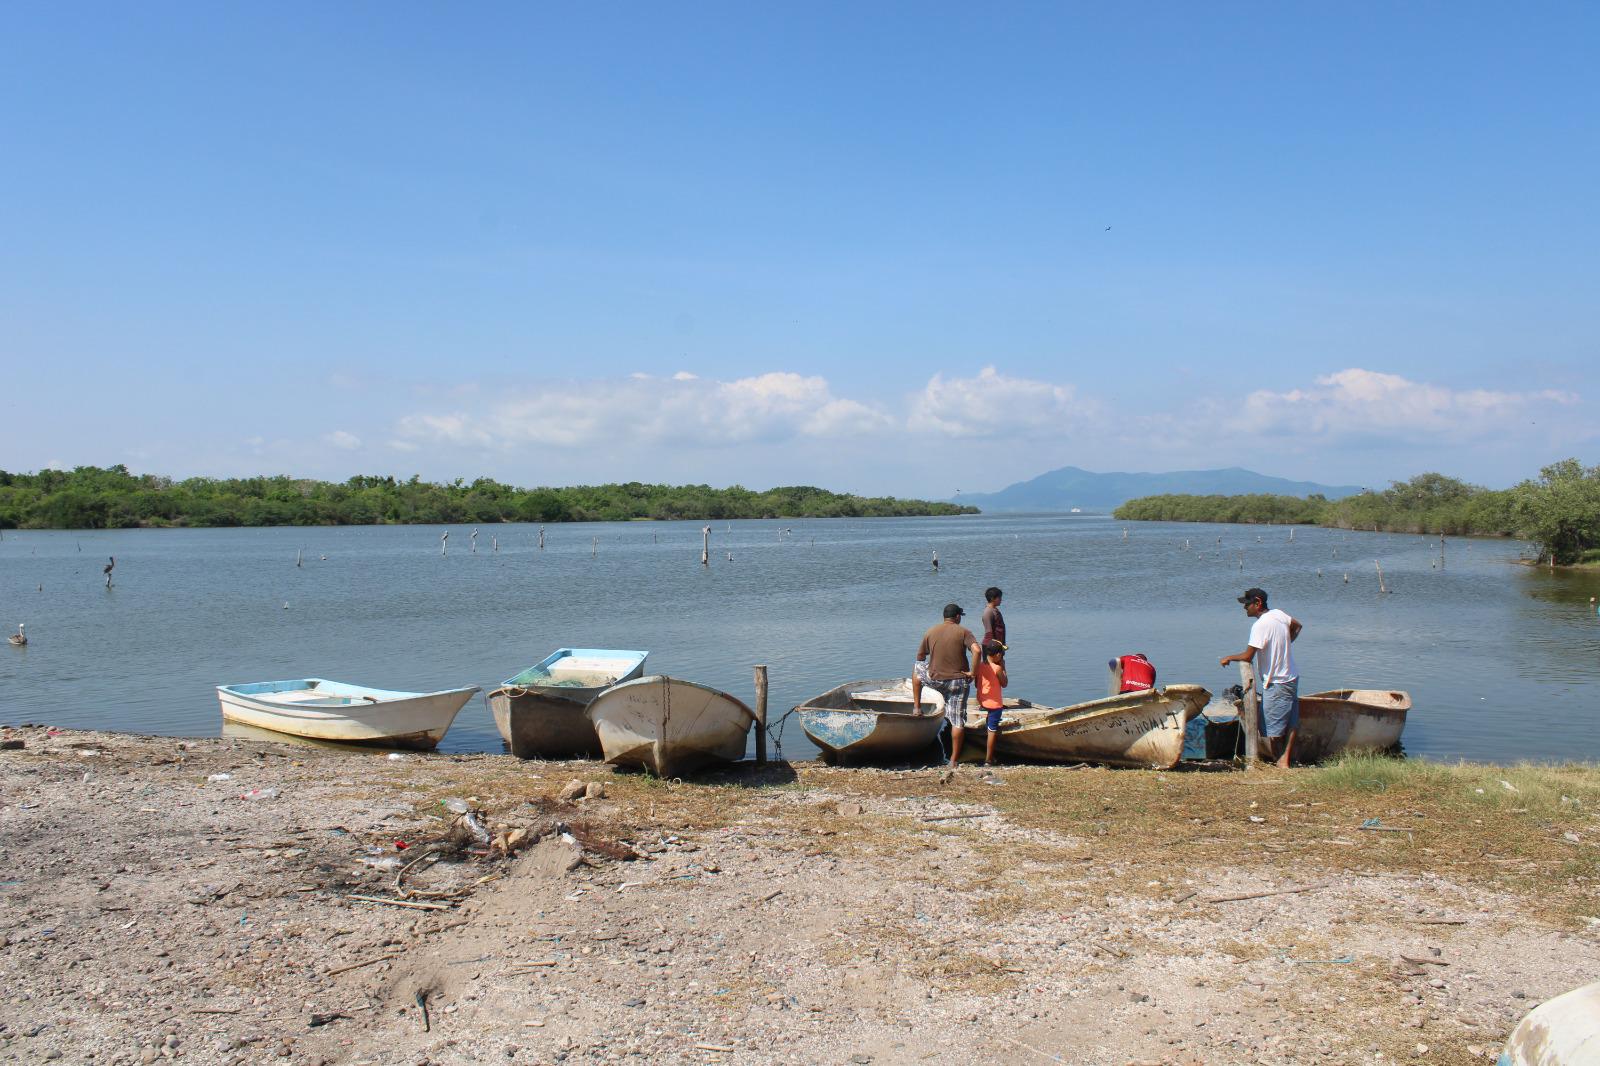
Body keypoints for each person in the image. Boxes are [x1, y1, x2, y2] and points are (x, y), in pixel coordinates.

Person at [1219, 587, 1303, 768]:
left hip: (1277, 680)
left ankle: (1283, 761)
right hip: (1290, 676)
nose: (1245, 608)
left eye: (1247, 604)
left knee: (1272, 728)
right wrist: (1284, 644)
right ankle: (1284, 759)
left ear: (1258, 603)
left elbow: (1248, 656)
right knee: (1290, 720)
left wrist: (1228, 658)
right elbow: (1297, 625)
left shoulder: (1260, 625)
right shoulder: (1278, 614)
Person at [911, 603, 982, 776]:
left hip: (936, 680)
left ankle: (917, 707)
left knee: (917, 669)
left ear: (944, 616)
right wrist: (973, 672)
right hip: (958, 682)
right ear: (957, 617)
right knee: (958, 721)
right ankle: (953, 761)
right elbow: (977, 650)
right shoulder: (964, 631)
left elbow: (920, 657)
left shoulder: (931, 631)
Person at [974, 640, 1008, 766]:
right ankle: (989, 759)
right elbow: (1004, 683)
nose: (1002, 656)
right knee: (992, 731)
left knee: (990, 724)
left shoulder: (980, 666)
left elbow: (977, 683)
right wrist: (1003, 667)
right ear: (997, 655)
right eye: (1002, 654)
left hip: (983, 701)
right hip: (995, 705)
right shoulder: (997, 668)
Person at [981, 587, 1006, 653]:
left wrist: (1002, 645)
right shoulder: (988, 612)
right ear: (992, 598)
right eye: (999, 598)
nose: (1001, 599)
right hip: (991, 647)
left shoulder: (994, 610)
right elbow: (989, 632)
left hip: (997, 645)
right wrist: (994, 648)